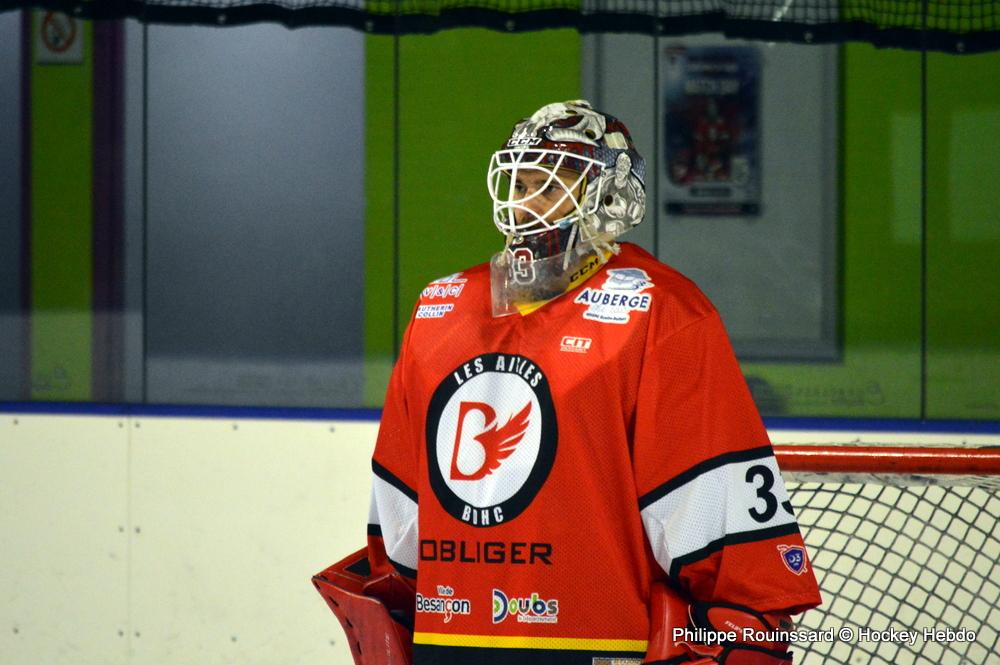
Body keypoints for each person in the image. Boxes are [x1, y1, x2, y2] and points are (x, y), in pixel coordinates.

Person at [314, 100, 821, 665]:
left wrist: (738, 630)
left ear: (610, 197)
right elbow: (400, 524)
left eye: (551, 186)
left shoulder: (662, 312)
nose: (525, 204)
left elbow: (719, 528)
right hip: (449, 641)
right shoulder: (441, 309)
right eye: (520, 184)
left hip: (601, 644)